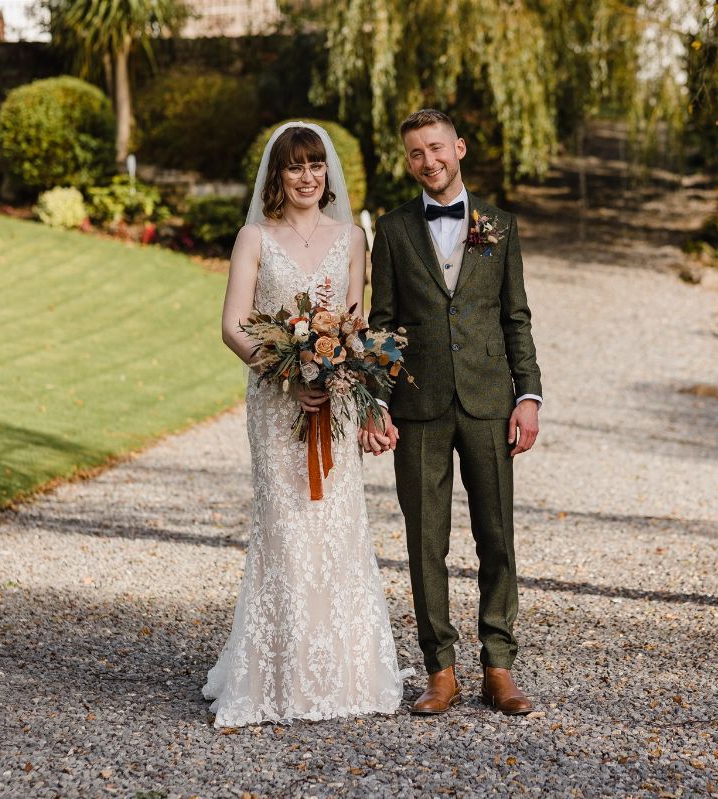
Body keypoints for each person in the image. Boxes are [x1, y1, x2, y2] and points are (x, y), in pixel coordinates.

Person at [203, 123, 409, 726]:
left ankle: (343, 670)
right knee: (287, 524)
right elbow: (234, 325)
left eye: (316, 165)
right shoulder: (254, 239)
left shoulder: (352, 239)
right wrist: (288, 375)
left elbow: (355, 323)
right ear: (277, 176)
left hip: (335, 402)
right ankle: (277, 677)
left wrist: (349, 387)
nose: (307, 177)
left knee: (335, 522)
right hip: (276, 403)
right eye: (294, 167)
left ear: (328, 173)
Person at [366, 108, 543, 716]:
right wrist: (376, 403)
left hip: (490, 401)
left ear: (459, 148)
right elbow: (382, 325)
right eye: (416, 153)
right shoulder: (391, 232)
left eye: (437, 148)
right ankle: (440, 669)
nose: (428, 162)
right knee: (425, 541)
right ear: (408, 160)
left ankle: (500, 665)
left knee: (496, 535)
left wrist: (529, 396)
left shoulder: (500, 224)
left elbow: (514, 316)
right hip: (418, 407)